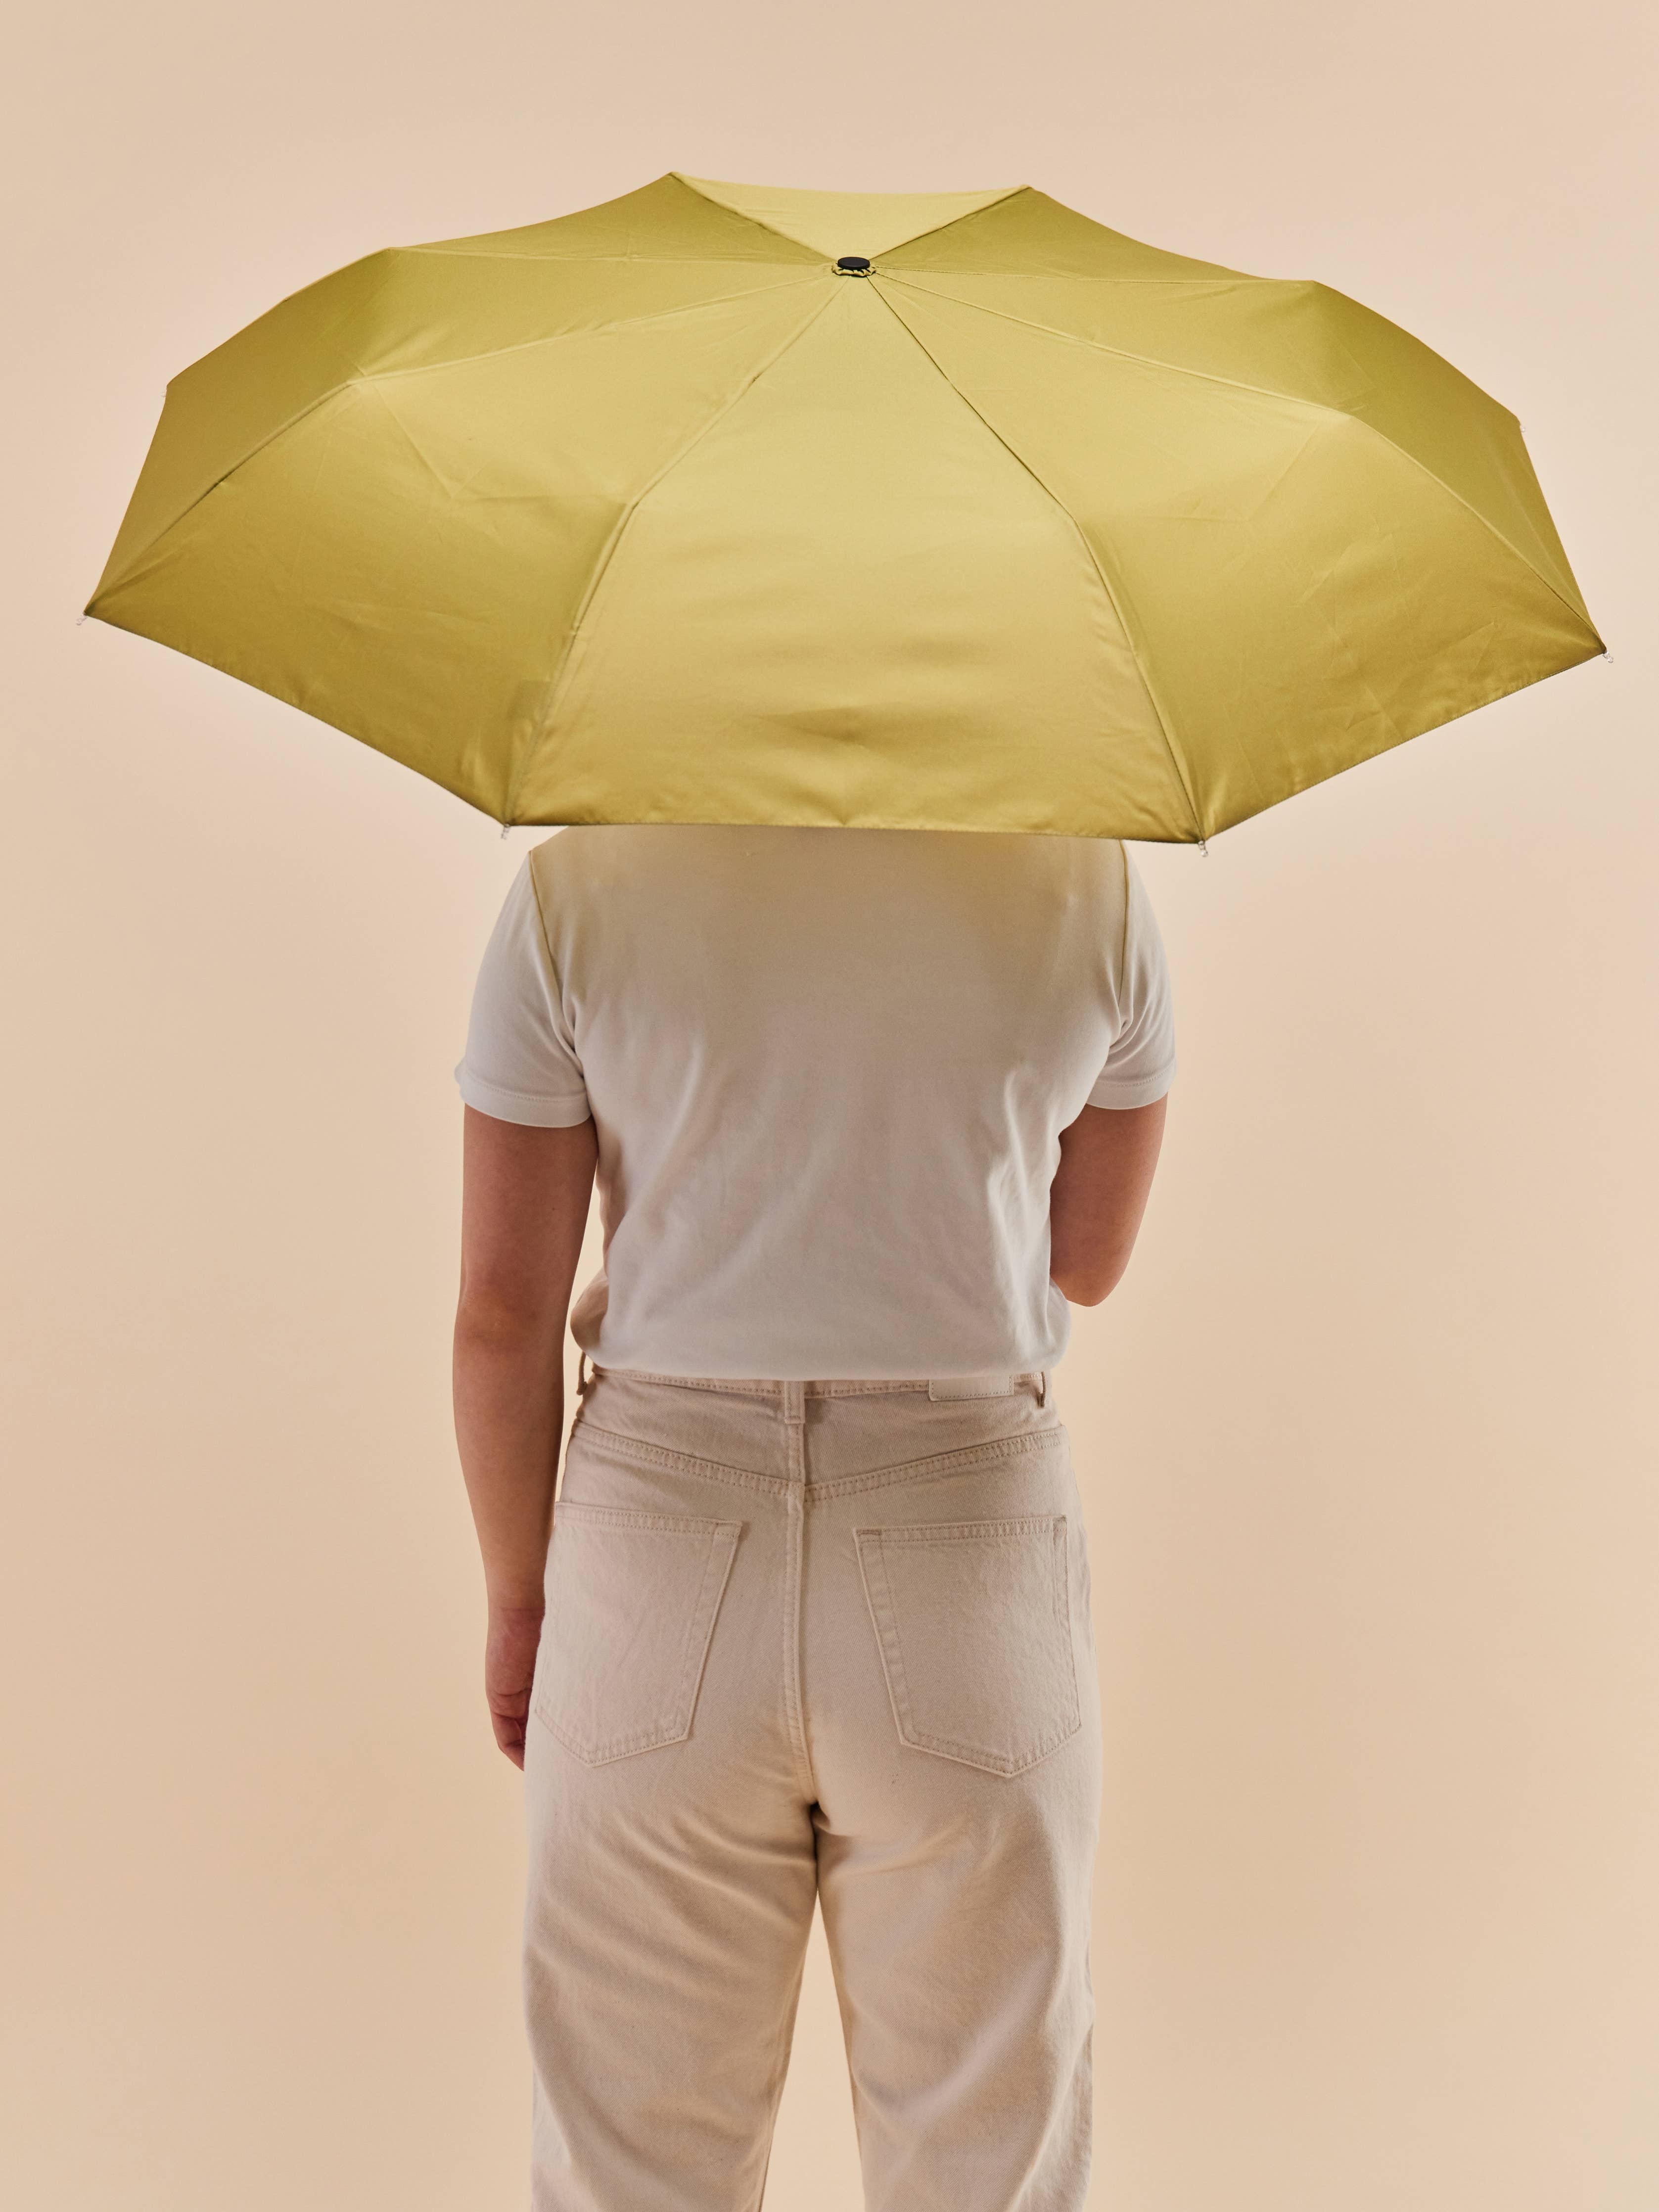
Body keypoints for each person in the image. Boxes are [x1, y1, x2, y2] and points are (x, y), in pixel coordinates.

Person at [452, 822, 1173, 2212]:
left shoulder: (577, 886)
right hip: (962, 1534)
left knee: (631, 2174)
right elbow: (1084, 1259)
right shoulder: (1085, 881)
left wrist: (520, 1597)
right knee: (983, 2164)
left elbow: (501, 1318)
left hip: (656, 1549)